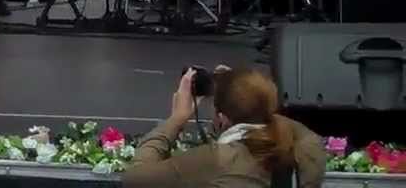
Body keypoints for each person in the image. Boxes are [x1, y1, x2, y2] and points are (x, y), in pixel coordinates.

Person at [123, 66, 326, 187]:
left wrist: (177, 119)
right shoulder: (308, 147)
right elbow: (273, 121)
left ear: (223, 118)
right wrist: (244, 89)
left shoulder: (217, 160)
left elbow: (134, 179)